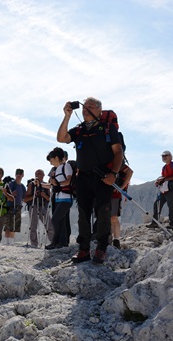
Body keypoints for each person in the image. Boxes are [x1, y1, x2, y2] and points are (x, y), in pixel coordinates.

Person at [56, 97, 123, 264]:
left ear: (99, 110)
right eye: (84, 107)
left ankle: (101, 248)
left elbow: (118, 153)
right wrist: (67, 116)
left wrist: (113, 173)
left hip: (104, 177)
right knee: (83, 214)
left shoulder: (108, 128)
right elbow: (61, 138)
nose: (85, 109)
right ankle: (83, 249)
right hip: (83, 178)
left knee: (103, 213)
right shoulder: (79, 130)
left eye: (90, 106)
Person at [45, 148, 73, 249]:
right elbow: (53, 186)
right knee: (61, 221)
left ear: (57, 158)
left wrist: (58, 184)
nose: (51, 163)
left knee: (54, 220)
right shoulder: (56, 170)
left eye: (51, 161)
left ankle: (56, 242)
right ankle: (61, 243)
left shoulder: (67, 166)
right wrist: (41, 185)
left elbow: (69, 181)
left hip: (66, 198)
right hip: (58, 198)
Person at [147, 150, 173, 230]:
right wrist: (159, 181)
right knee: (157, 204)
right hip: (164, 189)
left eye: (166, 155)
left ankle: (172, 224)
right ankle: (155, 223)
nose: (164, 157)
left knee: (171, 206)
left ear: (170, 157)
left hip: (171, 189)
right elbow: (163, 177)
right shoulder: (164, 167)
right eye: (163, 156)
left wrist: (164, 179)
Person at [24, 169, 54, 248]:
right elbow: (25, 199)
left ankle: (53, 241)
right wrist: (34, 195)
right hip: (34, 206)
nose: (38, 175)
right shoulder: (31, 184)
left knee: (49, 224)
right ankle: (34, 243)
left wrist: (44, 195)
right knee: (33, 225)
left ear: (43, 175)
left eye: (40, 173)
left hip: (43, 206)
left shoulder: (46, 185)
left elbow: (49, 198)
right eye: (37, 174)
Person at [110, 162, 134, 249]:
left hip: (114, 194)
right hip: (103, 193)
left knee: (113, 217)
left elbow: (129, 171)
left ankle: (116, 240)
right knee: (105, 217)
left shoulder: (117, 161)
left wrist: (122, 186)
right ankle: (108, 238)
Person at [2, 169, 26, 246]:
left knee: (15, 225)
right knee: (8, 224)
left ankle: (10, 242)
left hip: (18, 206)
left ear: (23, 175)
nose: (18, 175)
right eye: (17, 174)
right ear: (15, 175)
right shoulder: (11, 184)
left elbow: (24, 197)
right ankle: (7, 242)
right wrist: (12, 194)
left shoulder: (22, 186)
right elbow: (6, 194)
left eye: (20, 174)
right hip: (10, 206)